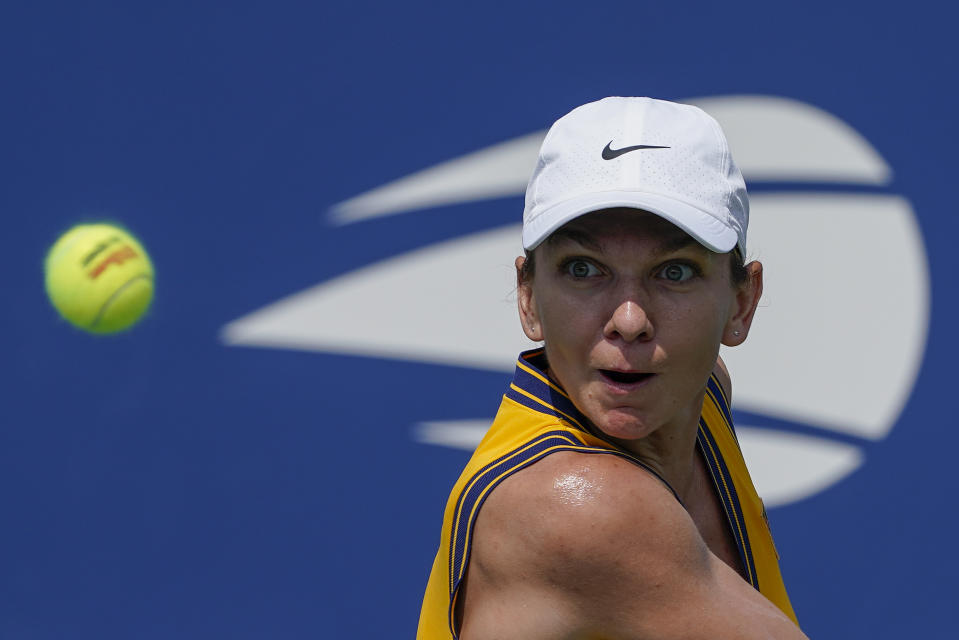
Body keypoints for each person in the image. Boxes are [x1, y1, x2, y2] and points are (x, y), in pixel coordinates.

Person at [417, 97, 808, 639]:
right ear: (527, 297)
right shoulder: (579, 507)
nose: (629, 319)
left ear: (741, 304)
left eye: (675, 271)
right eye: (584, 269)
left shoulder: (702, 394)